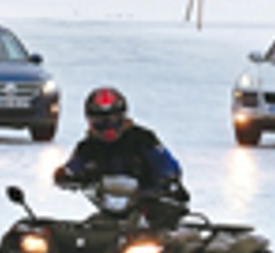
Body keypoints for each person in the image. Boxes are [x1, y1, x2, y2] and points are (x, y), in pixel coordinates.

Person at [54, 86, 187, 210]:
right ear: (90, 122)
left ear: (123, 118)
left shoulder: (142, 139)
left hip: (149, 207)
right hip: (111, 212)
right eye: (100, 122)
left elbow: (166, 164)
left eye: (113, 120)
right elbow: (73, 167)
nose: (108, 128)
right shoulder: (87, 147)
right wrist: (65, 176)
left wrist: (168, 180)